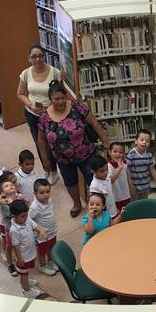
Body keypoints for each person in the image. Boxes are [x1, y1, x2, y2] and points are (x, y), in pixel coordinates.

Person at [37, 81, 111, 218]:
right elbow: (41, 140)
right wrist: (45, 159)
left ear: (66, 96)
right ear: (50, 99)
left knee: (93, 179)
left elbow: (94, 123)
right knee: (70, 181)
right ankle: (77, 204)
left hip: (86, 153)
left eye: (62, 98)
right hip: (62, 159)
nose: (60, 102)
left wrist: (105, 141)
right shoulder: (44, 117)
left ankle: (99, 204)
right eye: (56, 99)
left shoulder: (77, 107)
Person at [16, 44, 64, 184]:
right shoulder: (25, 73)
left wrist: (51, 107)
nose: (37, 59)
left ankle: (55, 170)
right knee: (39, 143)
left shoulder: (55, 73)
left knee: (52, 143)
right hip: (33, 114)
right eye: (34, 56)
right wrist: (30, 105)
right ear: (29, 58)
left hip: (51, 115)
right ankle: (47, 169)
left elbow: (61, 94)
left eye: (40, 56)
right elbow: (20, 94)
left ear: (45, 56)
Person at [7, 199, 43, 299]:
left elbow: (34, 226)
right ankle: (27, 291)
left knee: (26, 271)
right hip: (24, 256)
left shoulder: (26, 219)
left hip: (30, 253)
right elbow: (16, 245)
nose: (26, 217)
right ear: (13, 215)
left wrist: (40, 231)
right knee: (23, 274)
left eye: (26, 215)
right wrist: (19, 258)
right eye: (22, 216)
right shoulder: (14, 230)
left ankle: (26, 281)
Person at [29, 179, 59, 276]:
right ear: (35, 193)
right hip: (42, 235)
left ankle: (51, 261)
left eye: (47, 192)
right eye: (41, 193)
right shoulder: (34, 207)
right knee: (42, 251)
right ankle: (43, 266)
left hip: (52, 231)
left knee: (52, 247)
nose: (45, 195)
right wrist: (37, 229)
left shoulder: (48, 200)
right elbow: (28, 219)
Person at [126, 130, 156, 202]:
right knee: (134, 204)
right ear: (136, 141)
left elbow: (152, 169)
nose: (144, 142)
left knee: (144, 203)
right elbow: (127, 170)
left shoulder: (149, 155)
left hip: (145, 186)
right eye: (142, 140)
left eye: (147, 141)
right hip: (134, 186)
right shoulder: (131, 155)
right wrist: (130, 185)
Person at [88, 155, 121, 223]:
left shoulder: (106, 177)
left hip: (113, 210)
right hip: (105, 216)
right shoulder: (94, 186)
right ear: (93, 172)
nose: (106, 173)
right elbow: (96, 205)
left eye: (107, 169)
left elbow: (111, 181)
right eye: (102, 171)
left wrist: (115, 208)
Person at [108, 143, 132, 218]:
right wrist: (119, 168)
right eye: (115, 152)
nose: (117, 154)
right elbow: (111, 180)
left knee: (127, 213)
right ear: (109, 152)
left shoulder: (124, 163)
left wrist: (131, 185)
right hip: (116, 197)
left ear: (124, 154)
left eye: (120, 152)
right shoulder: (109, 166)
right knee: (117, 215)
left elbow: (127, 174)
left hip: (125, 194)